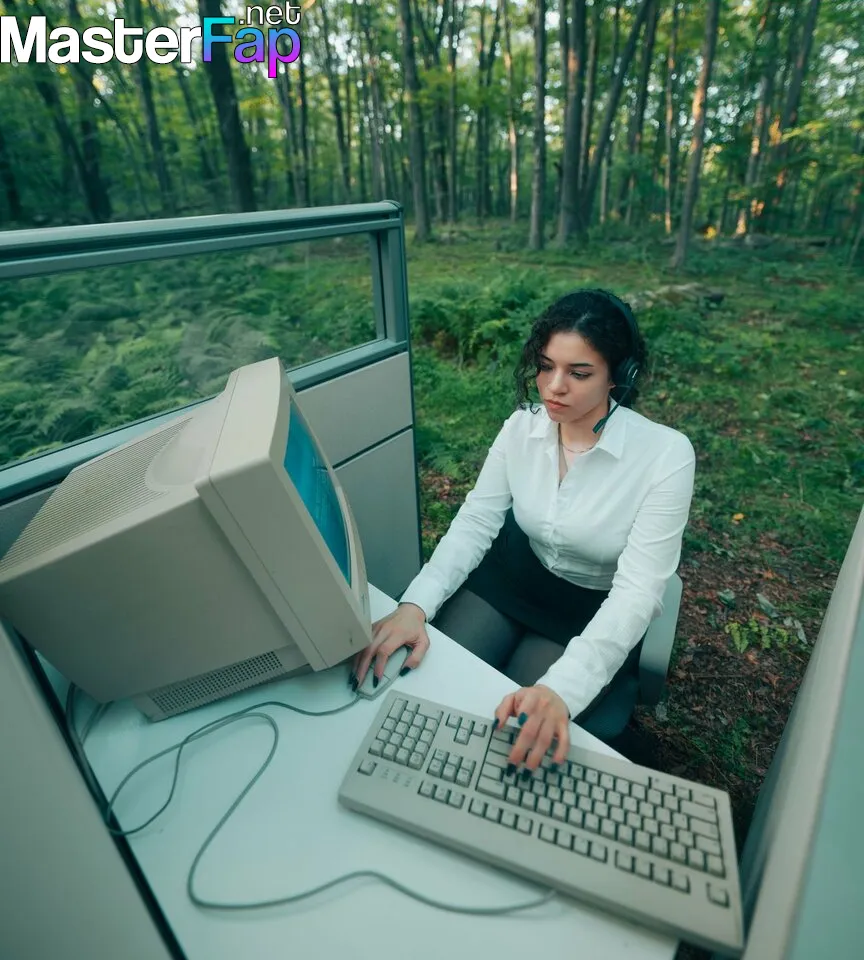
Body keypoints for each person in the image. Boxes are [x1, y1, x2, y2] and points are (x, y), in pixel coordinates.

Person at [351, 289, 695, 776]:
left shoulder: (665, 455)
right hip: (510, 578)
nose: (553, 387)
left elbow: (637, 592)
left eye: (579, 373)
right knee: (432, 687)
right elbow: (475, 521)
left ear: (621, 375)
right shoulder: (521, 428)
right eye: (546, 366)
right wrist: (415, 605)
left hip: (588, 607)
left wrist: (562, 691)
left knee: (510, 730)